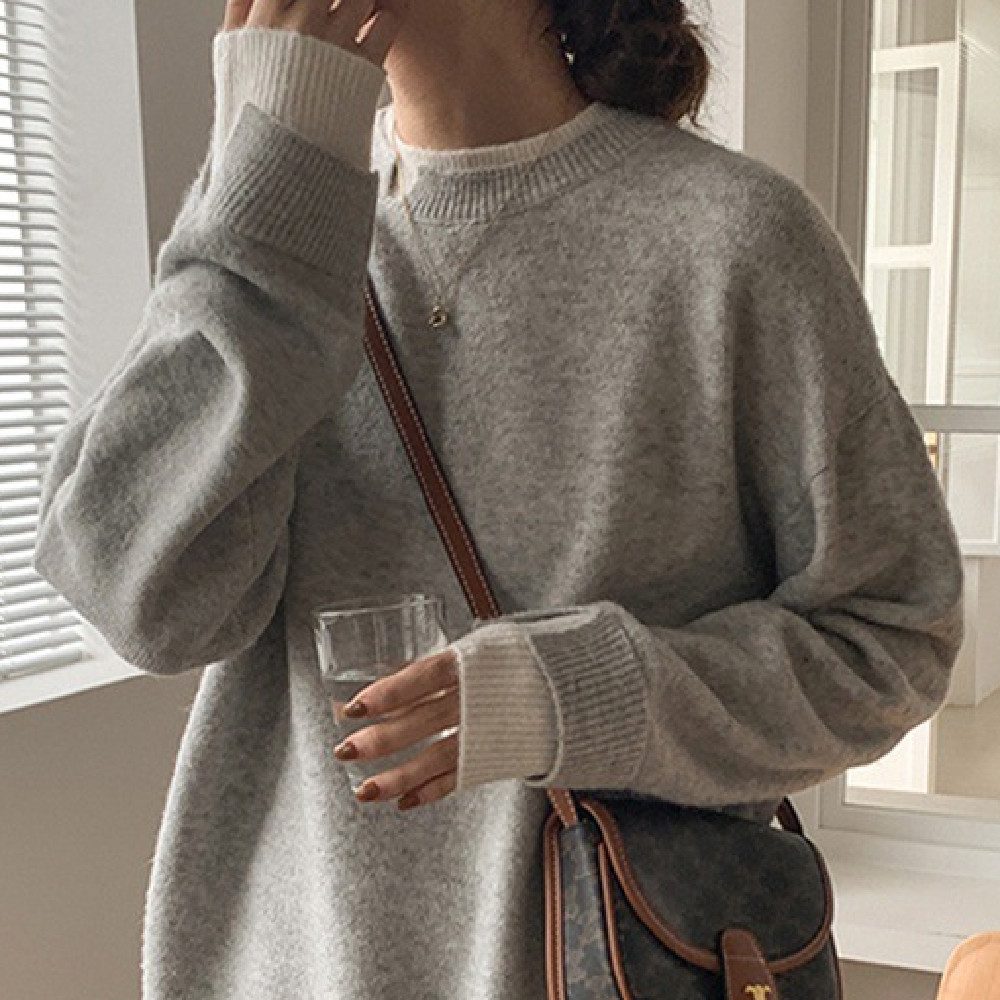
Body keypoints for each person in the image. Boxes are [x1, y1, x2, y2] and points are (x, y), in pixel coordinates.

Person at [32, 0, 966, 997]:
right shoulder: (274, 233)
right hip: (282, 968)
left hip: (611, 966)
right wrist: (268, 172)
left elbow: (887, 641)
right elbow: (136, 597)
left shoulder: (733, 239)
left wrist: (572, 694)